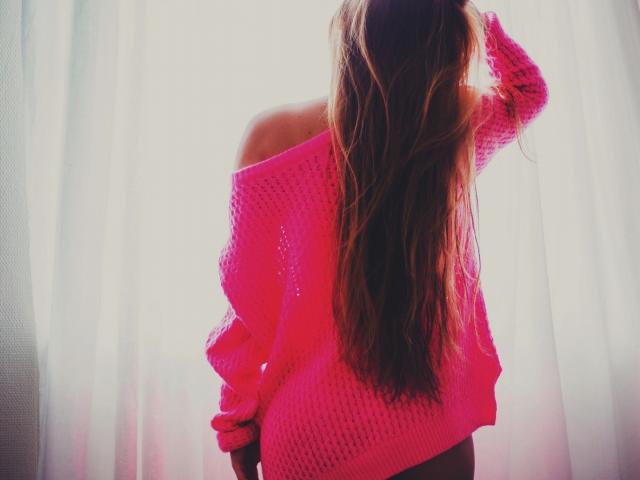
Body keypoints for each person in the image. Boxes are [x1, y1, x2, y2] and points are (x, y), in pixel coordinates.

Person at [205, 1, 549, 479]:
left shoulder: (270, 135)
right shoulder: (447, 127)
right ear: (446, 41)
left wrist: (237, 424)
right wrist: (469, 13)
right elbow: (528, 90)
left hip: (308, 444)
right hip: (426, 431)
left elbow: (245, 302)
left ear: (348, 30)